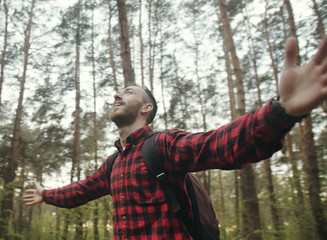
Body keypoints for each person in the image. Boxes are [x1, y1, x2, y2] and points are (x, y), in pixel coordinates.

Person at [24, 37, 327, 239]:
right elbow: (80, 190)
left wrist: (280, 111)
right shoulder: (112, 165)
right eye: (118, 91)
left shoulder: (163, 146)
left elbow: (222, 145)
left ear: (146, 108)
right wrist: (46, 194)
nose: (117, 94)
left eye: (128, 92)